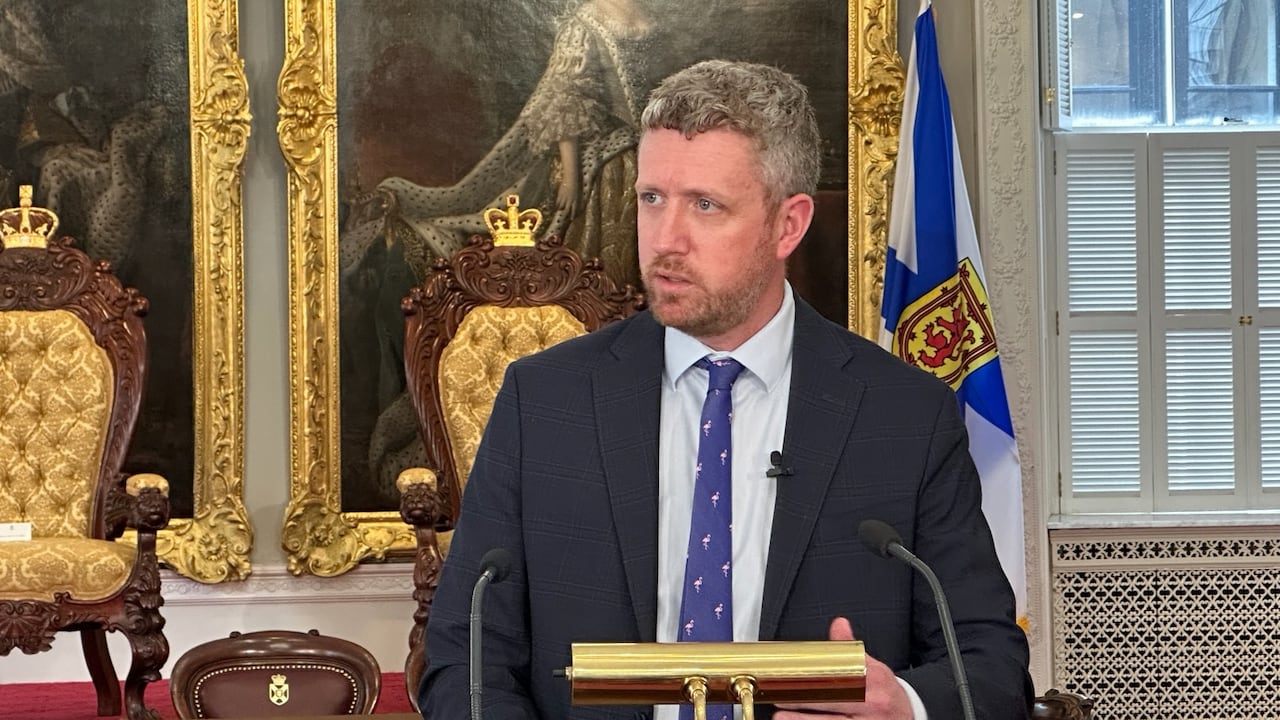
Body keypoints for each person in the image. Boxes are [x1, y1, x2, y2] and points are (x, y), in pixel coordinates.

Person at [420, 59, 1033, 719]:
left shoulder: (906, 417)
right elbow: (464, 656)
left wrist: (905, 706)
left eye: (705, 205)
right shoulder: (544, 403)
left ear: (787, 225)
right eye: (652, 198)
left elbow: (992, 669)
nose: (666, 239)